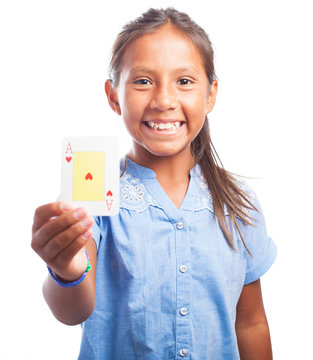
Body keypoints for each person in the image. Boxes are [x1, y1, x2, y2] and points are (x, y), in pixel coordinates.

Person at [31, 7, 277, 360]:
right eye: (143, 81)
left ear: (211, 94)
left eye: (185, 81)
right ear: (114, 96)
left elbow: (251, 323)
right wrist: (66, 269)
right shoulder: (91, 194)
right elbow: (72, 312)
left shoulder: (240, 204)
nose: (163, 100)